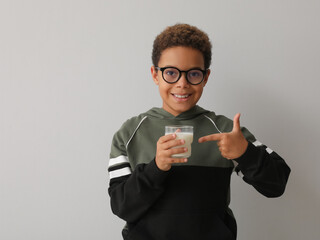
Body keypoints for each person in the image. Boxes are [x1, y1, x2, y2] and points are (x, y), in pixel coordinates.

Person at [107, 23, 290, 240]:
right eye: (171, 73)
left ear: (205, 77)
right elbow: (121, 207)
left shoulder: (224, 130)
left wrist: (244, 152)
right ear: (155, 75)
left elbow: (276, 184)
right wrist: (156, 168)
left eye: (193, 74)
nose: (182, 84)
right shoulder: (129, 133)